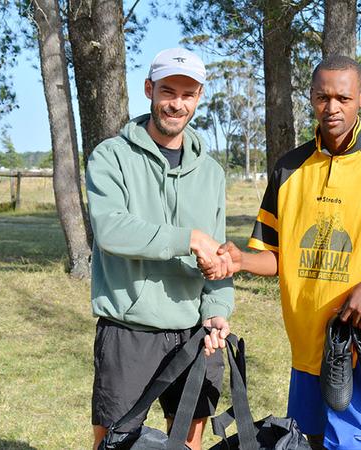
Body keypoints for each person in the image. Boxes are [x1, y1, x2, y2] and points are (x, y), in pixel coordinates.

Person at [199, 55, 361, 450]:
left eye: (343, 98)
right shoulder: (289, 168)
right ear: (311, 98)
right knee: (305, 444)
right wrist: (241, 260)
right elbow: (277, 256)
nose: (332, 108)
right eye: (322, 97)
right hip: (307, 357)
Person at [86, 47, 234, 450]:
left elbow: (218, 254)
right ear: (149, 89)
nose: (177, 104)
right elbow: (111, 230)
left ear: (199, 97)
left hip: (192, 331)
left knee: (188, 442)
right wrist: (186, 238)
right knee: (113, 442)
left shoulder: (211, 172)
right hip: (129, 330)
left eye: (188, 95)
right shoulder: (111, 157)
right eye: (168, 91)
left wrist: (218, 311)